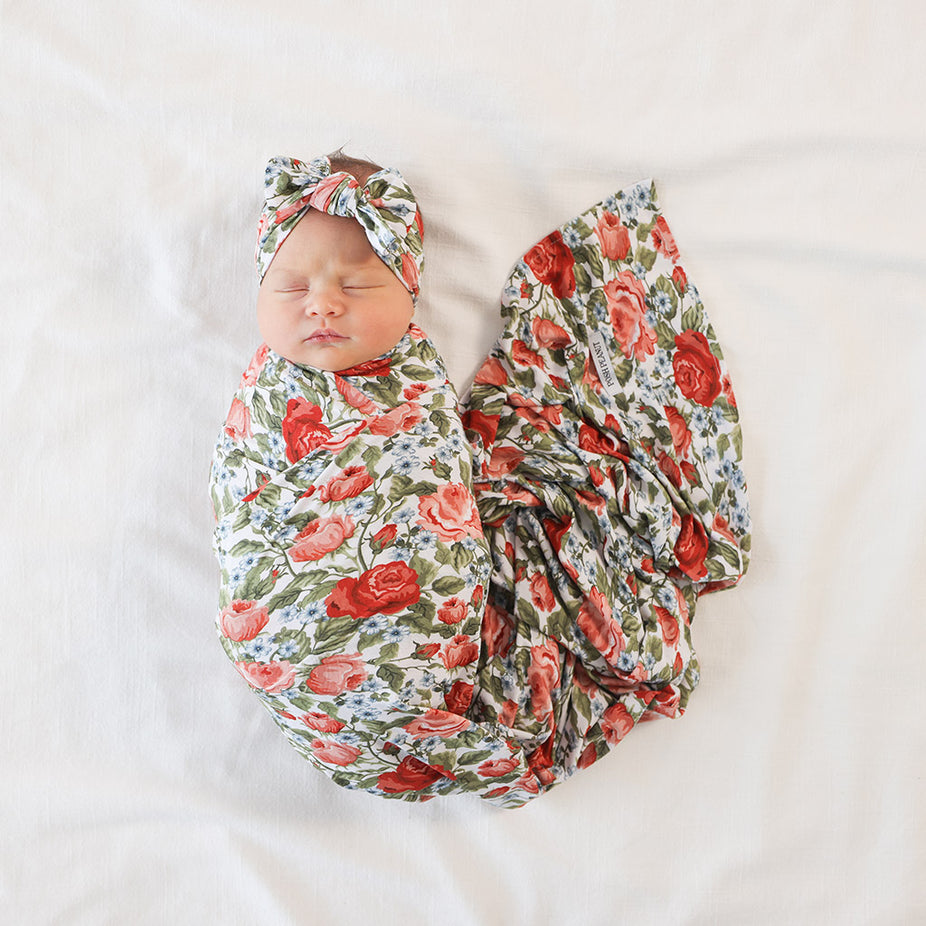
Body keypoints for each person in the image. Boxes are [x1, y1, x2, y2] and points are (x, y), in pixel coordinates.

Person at [209, 151, 751, 807]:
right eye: (292, 288)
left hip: (425, 649)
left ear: (409, 296)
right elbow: (243, 502)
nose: (322, 303)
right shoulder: (265, 393)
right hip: (286, 647)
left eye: (355, 286)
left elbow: (432, 476)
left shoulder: (408, 382)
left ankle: (421, 697)